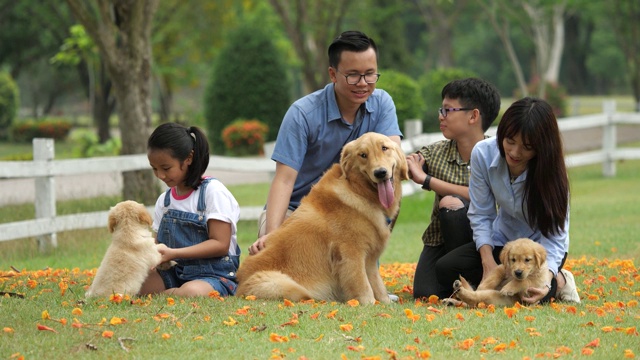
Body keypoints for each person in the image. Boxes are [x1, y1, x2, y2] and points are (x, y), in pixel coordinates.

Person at [249, 30, 403, 255]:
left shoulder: (382, 103)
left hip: (354, 209)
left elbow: (393, 160)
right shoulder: (302, 114)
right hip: (298, 210)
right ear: (333, 74)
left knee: (344, 283)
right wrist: (273, 234)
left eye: (370, 74)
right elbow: (284, 180)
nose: (363, 83)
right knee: (289, 268)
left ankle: (365, 266)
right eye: (353, 75)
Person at [436, 97, 580, 304]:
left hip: (540, 252)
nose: (514, 152)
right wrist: (488, 263)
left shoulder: (553, 173)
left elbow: (556, 237)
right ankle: (489, 291)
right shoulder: (483, 153)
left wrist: (547, 280)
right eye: (510, 141)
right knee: (445, 270)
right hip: (503, 244)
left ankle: (561, 280)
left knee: (529, 296)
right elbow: (481, 214)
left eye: (527, 147)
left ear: (542, 147)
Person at [407, 78, 501, 300]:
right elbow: (408, 164)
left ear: (473, 116)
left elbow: (481, 197)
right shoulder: (436, 152)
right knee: (424, 294)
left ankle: (472, 283)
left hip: (485, 242)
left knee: (451, 204)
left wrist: (427, 180)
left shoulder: (497, 154)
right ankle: (460, 283)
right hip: (440, 239)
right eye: (442, 109)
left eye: (448, 110)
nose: (441, 116)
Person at [139, 122, 241, 297]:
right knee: (138, 282)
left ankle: (168, 294)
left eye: (166, 168)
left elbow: (221, 244)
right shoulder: (165, 201)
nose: (160, 176)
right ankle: (173, 292)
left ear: (188, 158)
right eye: (154, 169)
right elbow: (157, 245)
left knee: (192, 292)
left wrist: (174, 253)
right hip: (178, 273)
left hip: (215, 275)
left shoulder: (213, 192)